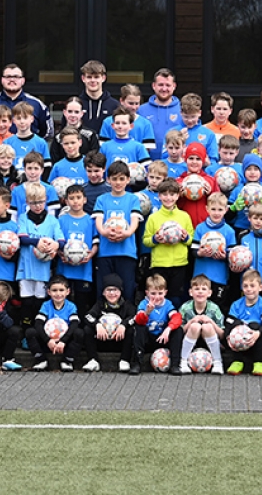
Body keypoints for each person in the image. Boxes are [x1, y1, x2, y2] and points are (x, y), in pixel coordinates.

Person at [92, 160, 142, 301]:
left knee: (127, 289)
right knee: (103, 289)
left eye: (121, 179)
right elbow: (99, 220)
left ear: (128, 179)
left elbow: (134, 220)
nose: (118, 182)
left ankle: (127, 320)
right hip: (105, 252)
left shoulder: (133, 199)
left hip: (126, 252)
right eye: (114, 179)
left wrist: (127, 233)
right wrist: (104, 232)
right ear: (108, 180)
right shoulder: (101, 199)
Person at [16, 183, 64, 328]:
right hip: (26, 267)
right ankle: (25, 332)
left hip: (42, 269)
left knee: (39, 301)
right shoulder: (23, 218)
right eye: (33, 203)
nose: (37, 206)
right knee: (26, 301)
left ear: (46, 200)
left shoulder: (52, 221)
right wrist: (37, 242)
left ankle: (38, 331)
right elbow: (22, 238)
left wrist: (55, 245)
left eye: (40, 202)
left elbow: (61, 241)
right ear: (27, 202)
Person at [143, 178, 194, 306]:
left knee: (176, 297)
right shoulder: (153, 217)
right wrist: (155, 239)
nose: (168, 198)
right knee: (159, 298)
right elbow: (146, 240)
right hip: (160, 263)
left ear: (177, 196)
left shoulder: (184, 216)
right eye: (164, 194)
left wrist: (185, 237)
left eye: (172, 194)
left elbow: (191, 240)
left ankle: (175, 322)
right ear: (159, 196)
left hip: (179, 263)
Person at [0, 64, 53, 139]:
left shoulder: (37, 104)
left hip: (28, 151)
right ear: (2, 80)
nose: (12, 80)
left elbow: (48, 132)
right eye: (8, 76)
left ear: (23, 80)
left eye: (16, 77)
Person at [81, 273, 135, 373]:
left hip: (119, 340)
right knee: (87, 329)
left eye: (115, 290)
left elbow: (134, 317)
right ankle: (93, 360)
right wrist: (97, 324)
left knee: (131, 330)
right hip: (102, 340)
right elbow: (88, 316)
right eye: (108, 290)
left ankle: (125, 360)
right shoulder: (100, 304)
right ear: (103, 293)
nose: (112, 293)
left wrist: (124, 325)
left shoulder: (126, 305)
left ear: (121, 291)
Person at [57, 184, 98, 316]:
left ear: (85, 199)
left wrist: (91, 254)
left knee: (82, 302)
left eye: (78, 197)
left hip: (83, 269)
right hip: (65, 269)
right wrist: (60, 254)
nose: (75, 201)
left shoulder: (90, 220)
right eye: (71, 198)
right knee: (63, 301)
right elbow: (56, 242)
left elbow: (96, 242)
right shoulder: (61, 220)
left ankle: (80, 332)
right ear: (66, 201)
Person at [132, 272, 183, 375]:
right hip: (148, 339)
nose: (157, 297)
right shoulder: (144, 304)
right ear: (147, 292)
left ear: (165, 292)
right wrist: (147, 313)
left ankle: (175, 365)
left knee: (178, 330)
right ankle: (137, 363)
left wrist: (168, 329)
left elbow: (177, 317)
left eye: (160, 293)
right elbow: (138, 320)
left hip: (163, 338)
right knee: (139, 328)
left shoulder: (167, 304)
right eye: (153, 293)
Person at [224, 269, 262, 376]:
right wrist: (228, 337)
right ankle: (237, 361)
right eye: (245, 286)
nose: (249, 289)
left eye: (252, 286)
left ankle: (258, 362)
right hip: (238, 343)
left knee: (254, 325)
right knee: (236, 324)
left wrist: (257, 334)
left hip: (259, 342)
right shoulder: (236, 304)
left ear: (260, 287)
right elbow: (228, 324)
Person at [27, 275, 81, 371]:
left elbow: (74, 324)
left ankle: (67, 360)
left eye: (61, 290)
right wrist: (48, 340)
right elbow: (38, 323)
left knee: (79, 333)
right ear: (49, 292)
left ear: (67, 291)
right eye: (54, 290)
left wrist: (63, 341)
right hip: (48, 342)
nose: (58, 293)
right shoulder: (46, 305)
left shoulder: (71, 306)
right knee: (30, 332)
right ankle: (41, 360)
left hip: (64, 343)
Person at [177, 274, 226, 374]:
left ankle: (218, 362)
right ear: (191, 292)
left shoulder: (214, 308)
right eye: (196, 288)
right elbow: (178, 332)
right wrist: (191, 322)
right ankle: (183, 361)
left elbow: (222, 334)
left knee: (207, 326)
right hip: (189, 342)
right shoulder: (185, 308)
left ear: (209, 293)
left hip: (210, 343)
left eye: (204, 289)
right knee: (195, 326)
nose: (200, 291)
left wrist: (211, 322)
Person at [136, 68, 181, 160]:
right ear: (154, 86)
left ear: (174, 86)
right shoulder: (141, 110)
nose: (164, 89)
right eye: (160, 85)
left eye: (168, 85)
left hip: (176, 163)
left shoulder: (182, 110)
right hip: (148, 162)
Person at [5, 102, 51, 171]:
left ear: (32, 119)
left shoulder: (41, 142)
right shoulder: (7, 142)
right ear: (13, 120)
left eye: (25, 117)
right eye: (18, 118)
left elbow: (47, 166)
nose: (22, 121)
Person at [79, 60, 118, 132]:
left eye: (96, 77)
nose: (93, 80)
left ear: (103, 78)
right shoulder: (76, 104)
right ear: (83, 78)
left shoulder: (115, 105)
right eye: (89, 77)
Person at [180, 93, 219, 162]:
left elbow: (213, 160)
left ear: (199, 113)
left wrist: (206, 162)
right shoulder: (173, 132)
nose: (189, 120)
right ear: (180, 113)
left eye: (193, 116)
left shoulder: (209, 134)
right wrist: (178, 140)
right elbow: (165, 157)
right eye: (186, 117)